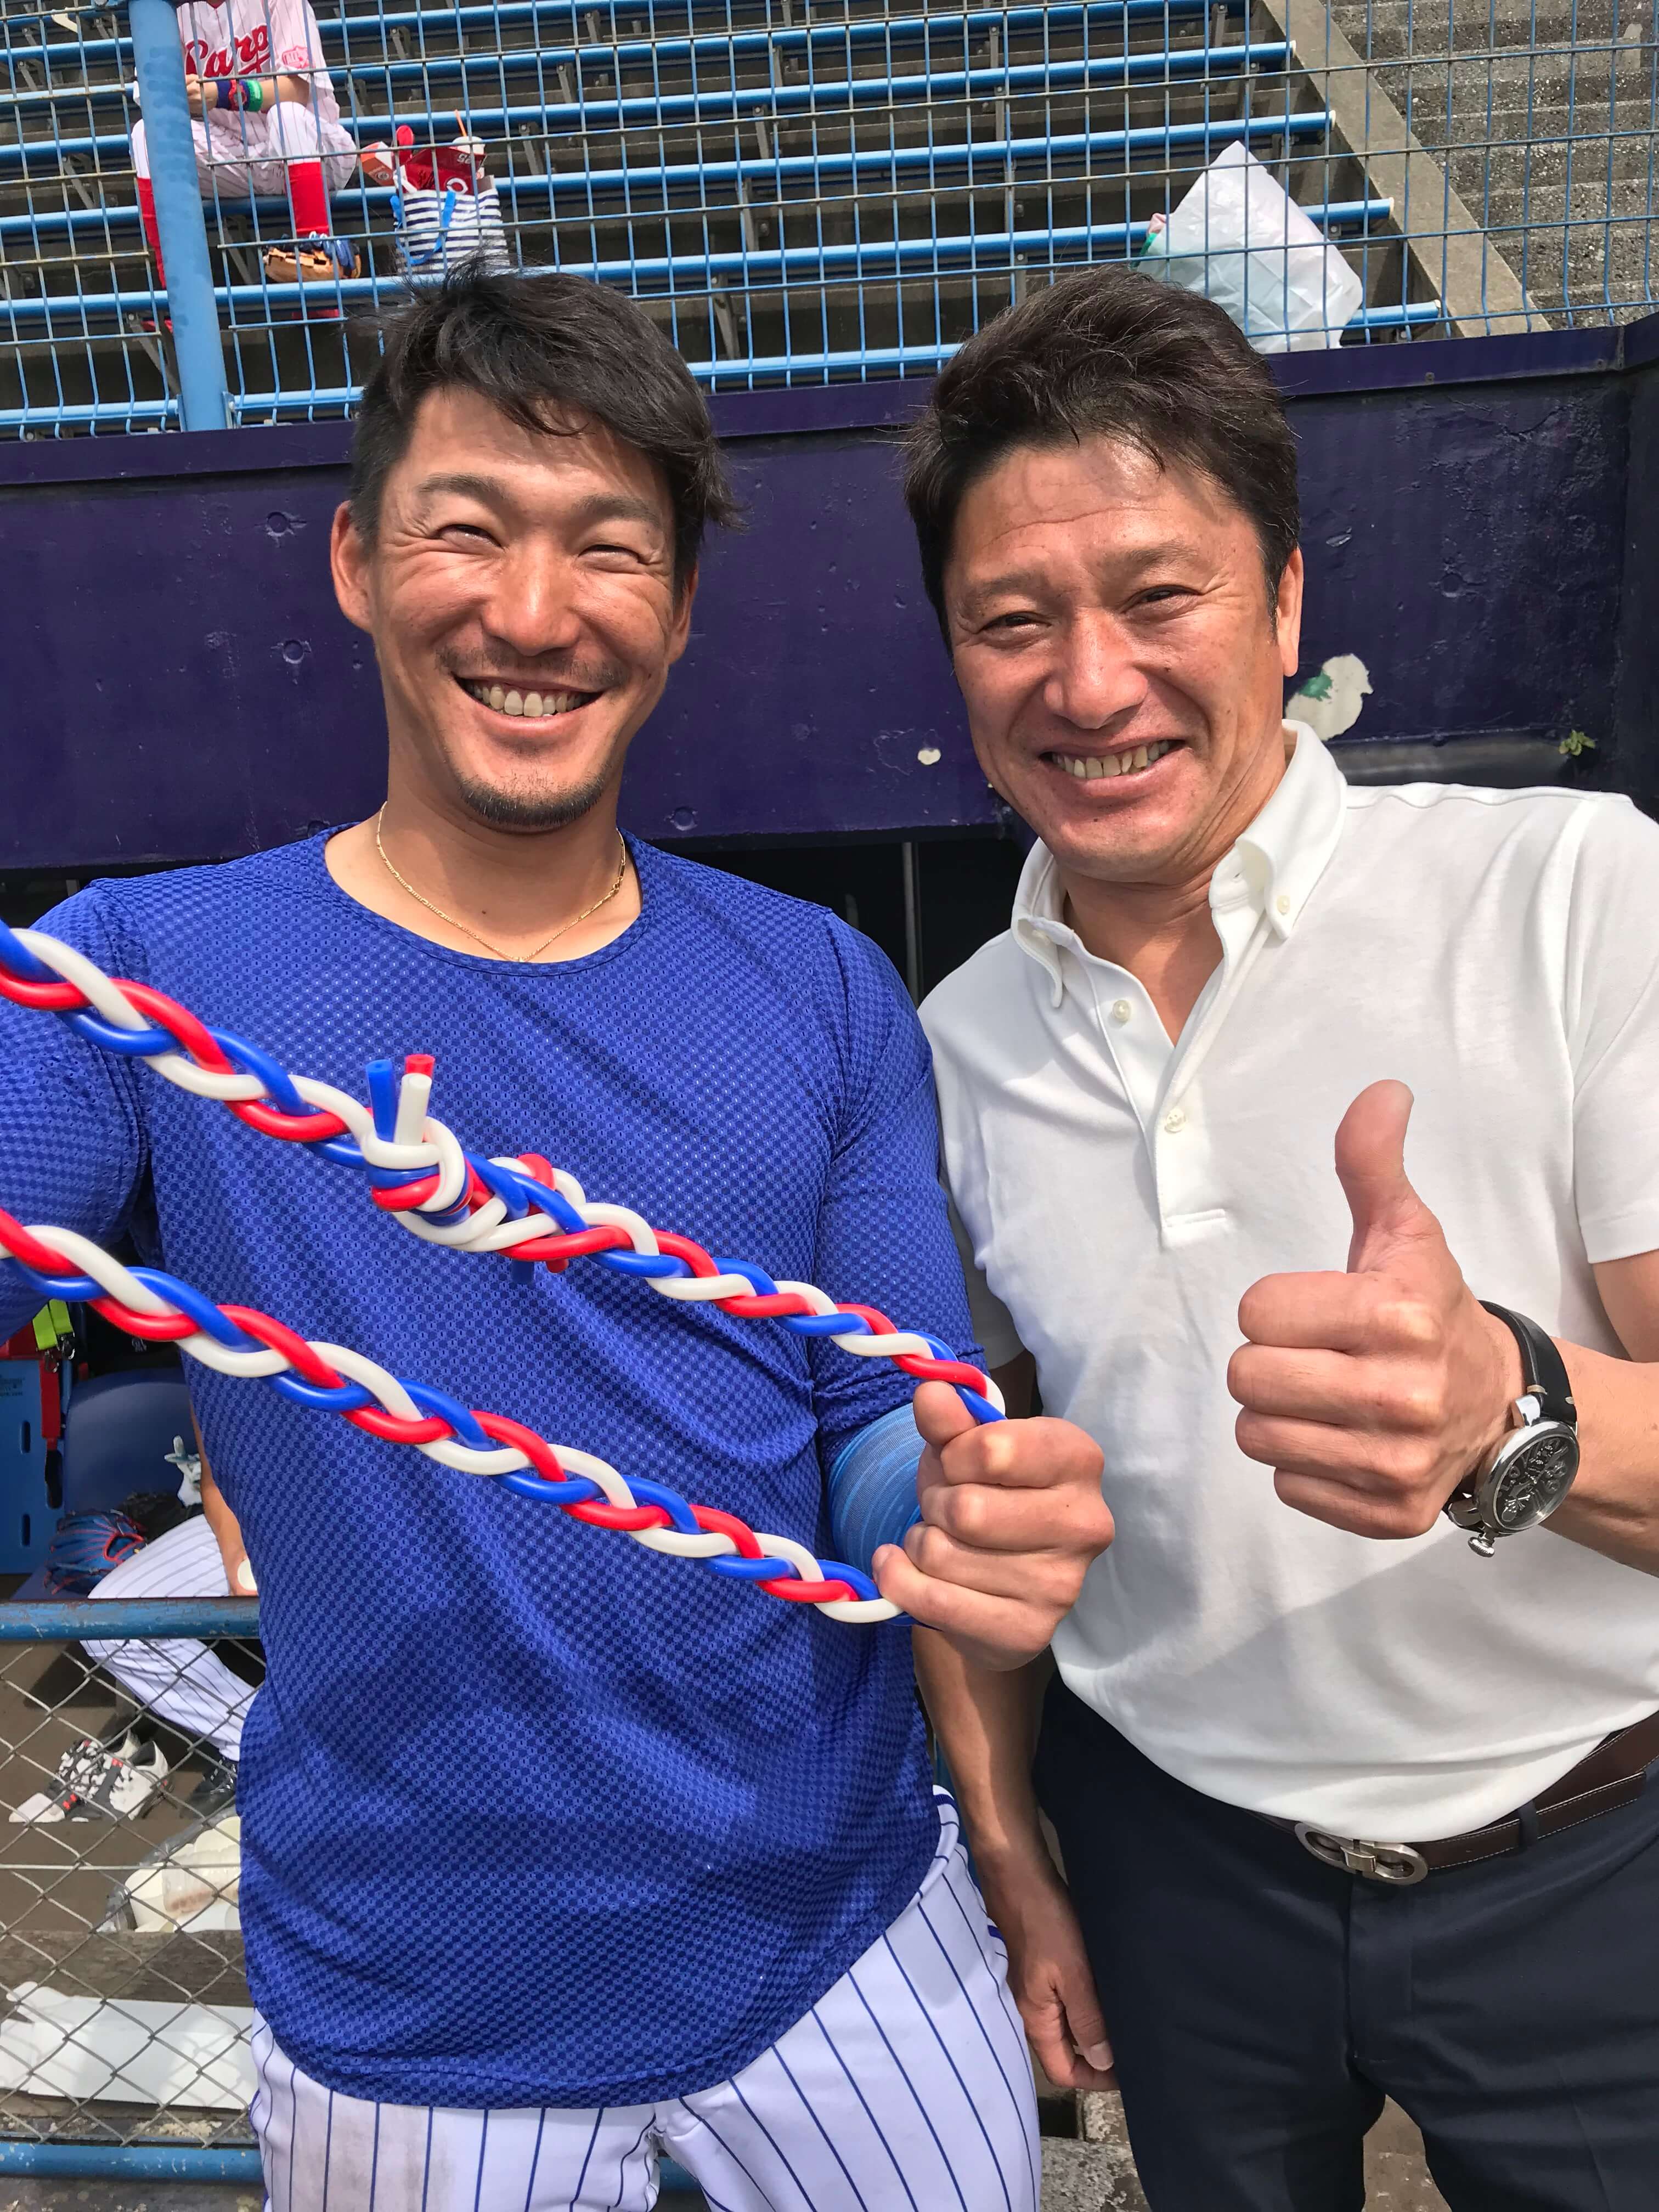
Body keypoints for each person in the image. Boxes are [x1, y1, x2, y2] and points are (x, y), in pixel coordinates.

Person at [0, 269, 1113, 2211]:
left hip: (845, 1941)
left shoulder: (819, 989)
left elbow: (876, 1413)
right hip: (411, 2016)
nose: (533, 612)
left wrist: (943, 1505)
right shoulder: (141, 978)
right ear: (358, 560)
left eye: (609, 547)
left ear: (675, 610)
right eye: (468, 529)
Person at [909, 266, 1659, 2211]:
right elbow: (973, 1494)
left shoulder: (1570, 892)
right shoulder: (955, 1044)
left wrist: (1514, 1406)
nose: (1089, 684)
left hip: (1595, 1867)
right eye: (1013, 621)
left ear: (1286, 601)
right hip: (1175, 1878)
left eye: (1158, 596)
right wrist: (1015, 1850)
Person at [130, 0, 359, 291]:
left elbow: (297, 90)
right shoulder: (171, 10)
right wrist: (175, 95)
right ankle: (176, 289)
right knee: (146, 134)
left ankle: (317, 256)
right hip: (236, 158)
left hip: (313, 150)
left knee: (286, 114)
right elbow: (149, 98)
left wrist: (222, 93)